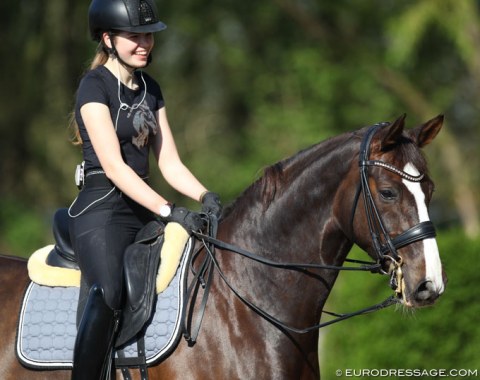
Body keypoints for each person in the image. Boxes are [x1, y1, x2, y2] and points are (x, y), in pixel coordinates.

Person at [67, 0, 222, 378]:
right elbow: (115, 167)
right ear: (107, 38)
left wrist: (206, 196)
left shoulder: (151, 88)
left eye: (148, 36)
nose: (144, 44)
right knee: (108, 293)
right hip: (101, 211)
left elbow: (169, 162)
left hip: (144, 210)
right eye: (134, 36)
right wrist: (170, 210)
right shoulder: (93, 86)